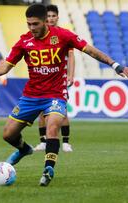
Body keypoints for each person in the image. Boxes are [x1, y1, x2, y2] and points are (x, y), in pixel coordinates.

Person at [0, 4, 128, 187]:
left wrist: (115, 65)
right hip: (31, 95)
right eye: (28, 24)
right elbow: (4, 67)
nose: (32, 28)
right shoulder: (24, 42)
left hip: (55, 94)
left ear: (45, 22)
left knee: (52, 127)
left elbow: (90, 50)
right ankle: (24, 149)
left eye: (35, 24)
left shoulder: (63, 36)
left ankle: (48, 168)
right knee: (8, 134)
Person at [34, 4, 74, 152]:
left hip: (58, 79)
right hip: (42, 79)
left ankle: (65, 142)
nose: (50, 19)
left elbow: (71, 55)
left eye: (53, 16)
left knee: (61, 111)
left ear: (57, 17)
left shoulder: (63, 35)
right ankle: (43, 141)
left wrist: (70, 74)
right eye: (48, 16)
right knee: (41, 112)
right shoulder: (39, 33)